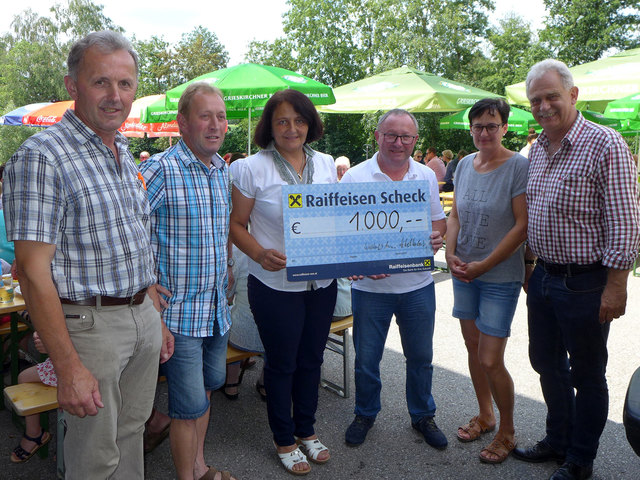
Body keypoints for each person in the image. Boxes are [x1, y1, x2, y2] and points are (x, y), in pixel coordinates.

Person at [2, 30, 173, 479]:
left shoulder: (122, 153)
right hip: (90, 327)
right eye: (101, 82)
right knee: (95, 455)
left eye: (125, 84)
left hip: (140, 316)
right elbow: (34, 275)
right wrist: (67, 365)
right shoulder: (43, 157)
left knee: (131, 433)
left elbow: (131, 240)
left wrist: (151, 312)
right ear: (73, 87)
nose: (115, 96)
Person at [513, 59, 640, 480]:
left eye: (551, 96)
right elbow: (535, 214)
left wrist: (616, 285)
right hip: (546, 277)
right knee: (545, 362)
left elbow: (626, 221)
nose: (544, 106)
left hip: (587, 283)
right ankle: (558, 439)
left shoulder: (606, 144)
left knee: (587, 374)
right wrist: (530, 264)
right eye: (536, 100)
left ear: (572, 95)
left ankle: (580, 460)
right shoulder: (537, 150)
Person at [230, 89, 338, 476]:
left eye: (299, 120)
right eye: (282, 121)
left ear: (310, 123)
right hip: (275, 285)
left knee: (312, 359)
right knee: (282, 363)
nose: (292, 128)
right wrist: (259, 253)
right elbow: (235, 225)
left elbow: (337, 219)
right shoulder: (250, 168)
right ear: (269, 126)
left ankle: (306, 430)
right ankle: (284, 438)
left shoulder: (326, 164)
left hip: (321, 283)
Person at [140, 82, 237, 480]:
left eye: (221, 116)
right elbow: (128, 233)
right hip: (178, 315)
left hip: (215, 309)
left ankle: (198, 466)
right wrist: (147, 288)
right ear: (182, 123)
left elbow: (221, 231)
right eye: (204, 116)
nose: (215, 125)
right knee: (187, 406)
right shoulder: (159, 170)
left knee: (207, 391)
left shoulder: (221, 170)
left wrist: (228, 267)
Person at [341, 109, 448, 450]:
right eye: (391, 135)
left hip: (417, 286)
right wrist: (356, 261)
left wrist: (435, 238)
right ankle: (365, 412)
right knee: (366, 360)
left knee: (420, 357)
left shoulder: (425, 176)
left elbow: (438, 223)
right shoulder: (355, 178)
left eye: (406, 137)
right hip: (370, 289)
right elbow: (340, 234)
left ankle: (422, 415)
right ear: (377, 136)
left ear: (415, 141)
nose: (399, 143)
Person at [445, 98, 529, 464]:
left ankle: (508, 431)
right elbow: (455, 217)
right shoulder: (464, 164)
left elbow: (521, 226)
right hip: (464, 272)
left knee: (491, 358)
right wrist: (449, 254)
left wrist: (484, 264)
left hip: (498, 275)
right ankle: (485, 414)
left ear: (504, 128)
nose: (484, 132)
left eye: (491, 126)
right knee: (471, 346)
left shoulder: (518, 167)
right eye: (477, 126)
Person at [10, 332, 55, 463]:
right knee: (25, 378)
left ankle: (71, 445)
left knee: (72, 396)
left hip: (82, 363)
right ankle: (34, 432)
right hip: (63, 358)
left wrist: (54, 344)